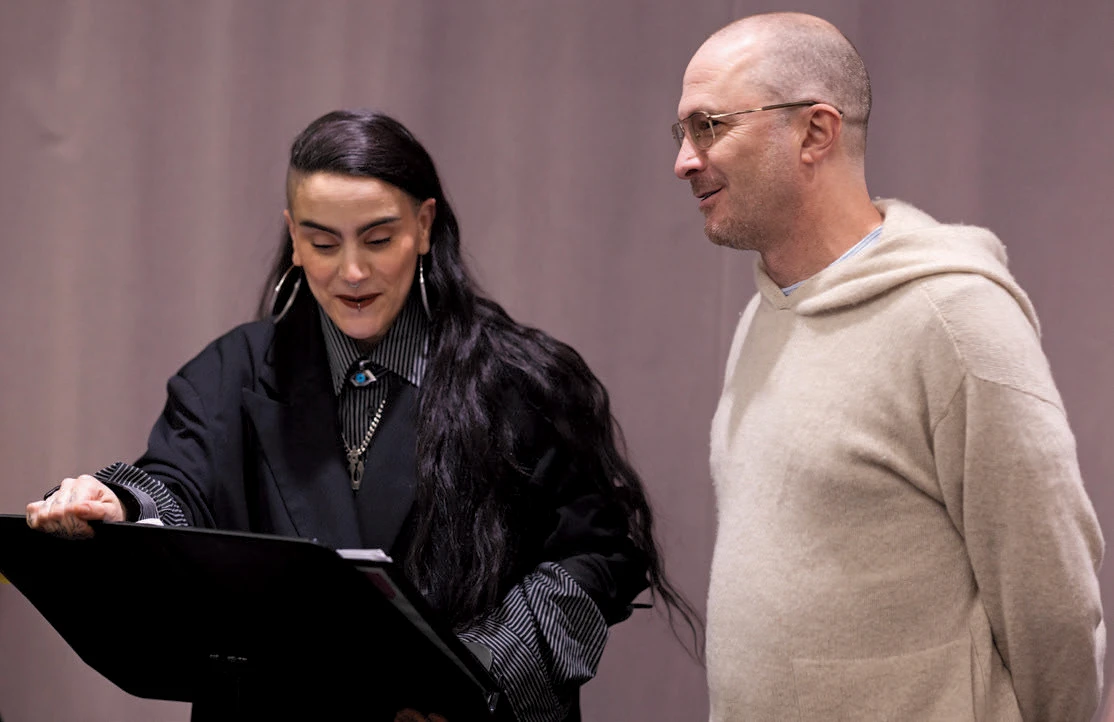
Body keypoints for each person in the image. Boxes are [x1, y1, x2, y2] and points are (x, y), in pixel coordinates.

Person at [27, 109, 697, 722]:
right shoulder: (230, 372)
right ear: (293, 239)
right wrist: (113, 504)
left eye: (378, 239)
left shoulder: (521, 380)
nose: (352, 272)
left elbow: (599, 552)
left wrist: (473, 677)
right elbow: (177, 483)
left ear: (425, 228)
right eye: (323, 242)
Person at [672, 12, 1104, 722]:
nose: (684, 161)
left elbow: (1050, 598)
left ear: (815, 132)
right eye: (683, 132)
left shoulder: (954, 319)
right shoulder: (767, 312)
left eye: (710, 125)